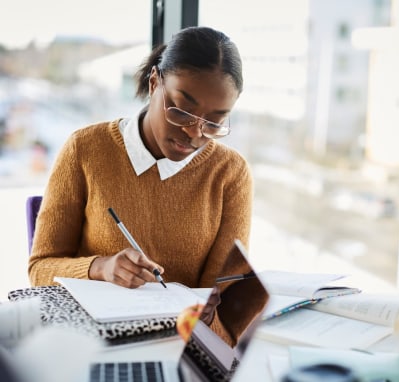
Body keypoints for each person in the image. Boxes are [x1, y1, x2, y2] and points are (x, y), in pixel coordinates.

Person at [28, 26, 253, 291]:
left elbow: (222, 295)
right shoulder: (85, 149)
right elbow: (40, 270)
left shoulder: (230, 173)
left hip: (184, 330)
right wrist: (101, 268)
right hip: (94, 330)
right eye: (181, 111)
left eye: (213, 123)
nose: (194, 133)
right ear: (154, 82)